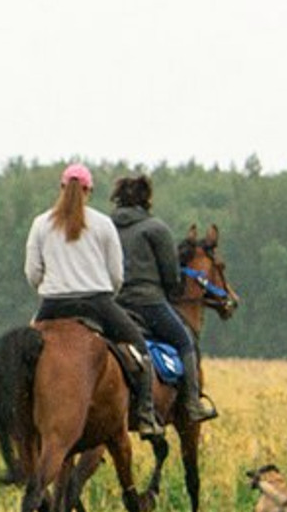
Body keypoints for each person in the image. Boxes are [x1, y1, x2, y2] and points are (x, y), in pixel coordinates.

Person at [24, 163, 165, 441]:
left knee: (24, 355)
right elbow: (116, 275)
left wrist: (51, 287)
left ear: (62, 187)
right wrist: (104, 291)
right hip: (97, 303)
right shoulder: (102, 224)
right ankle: (147, 415)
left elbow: (33, 273)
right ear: (89, 191)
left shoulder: (41, 223)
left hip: (52, 304)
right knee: (140, 349)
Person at [110, 172, 217, 422]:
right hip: (148, 304)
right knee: (184, 340)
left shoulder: (105, 227)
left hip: (112, 304)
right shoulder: (156, 228)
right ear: (146, 198)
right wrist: (172, 290)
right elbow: (171, 276)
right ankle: (192, 403)